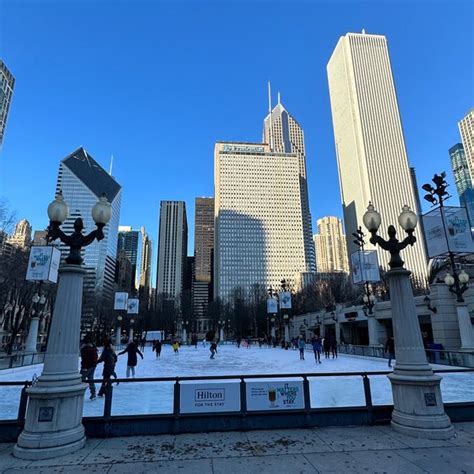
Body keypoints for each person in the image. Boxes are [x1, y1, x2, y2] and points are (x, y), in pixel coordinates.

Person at [80, 334, 98, 400]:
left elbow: (84, 358)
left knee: (81, 380)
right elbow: (96, 356)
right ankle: (93, 393)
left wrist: (84, 367)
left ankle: (79, 393)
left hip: (86, 366)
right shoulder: (93, 347)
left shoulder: (85, 349)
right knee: (91, 380)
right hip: (93, 366)